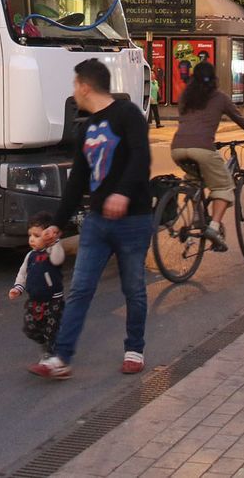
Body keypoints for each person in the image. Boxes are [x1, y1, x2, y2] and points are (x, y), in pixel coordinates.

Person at [31, 59, 154, 380]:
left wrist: (123, 193)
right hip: (98, 222)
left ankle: (134, 349)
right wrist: (57, 223)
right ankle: (60, 357)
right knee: (81, 288)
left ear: (85, 86)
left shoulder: (128, 114)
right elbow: (78, 181)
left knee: (134, 288)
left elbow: (142, 158)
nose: (74, 92)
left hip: (133, 220)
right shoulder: (85, 128)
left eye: (75, 85)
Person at [171, 61, 244, 251]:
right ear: (214, 78)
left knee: (194, 181)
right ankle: (213, 228)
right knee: (224, 186)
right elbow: (241, 120)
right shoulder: (219, 98)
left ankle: (199, 216)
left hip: (177, 148)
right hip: (202, 148)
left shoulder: (185, 97)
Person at [9, 213, 66, 358]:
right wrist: (18, 287)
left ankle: (51, 353)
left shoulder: (52, 251)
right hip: (34, 300)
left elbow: (58, 260)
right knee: (30, 328)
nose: (32, 239)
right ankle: (46, 343)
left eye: (36, 235)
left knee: (52, 329)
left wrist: (55, 242)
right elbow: (23, 273)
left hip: (53, 300)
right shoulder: (30, 255)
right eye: (30, 235)